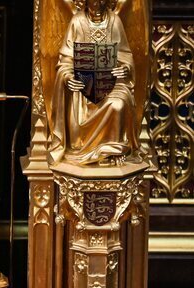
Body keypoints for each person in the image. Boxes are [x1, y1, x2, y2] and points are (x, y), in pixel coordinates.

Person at [49, 0, 138, 165]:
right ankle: (81, 148)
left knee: (118, 104)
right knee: (77, 122)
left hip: (111, 83)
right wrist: (68, 77)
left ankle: (113, 151)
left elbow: (126, 55)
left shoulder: (114, 22)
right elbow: (66, 61)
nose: (97, 4)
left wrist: (125, 69)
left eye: (101, 0)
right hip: (83, 85)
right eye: (93, 1)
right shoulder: (77, 21)